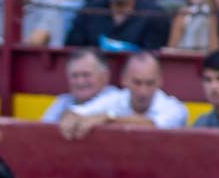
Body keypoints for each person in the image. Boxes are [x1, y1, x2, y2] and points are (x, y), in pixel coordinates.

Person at [56, 51, 189, 139]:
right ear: (124, 80)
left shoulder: (174, 108)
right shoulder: (114, 98)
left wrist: (107, 119)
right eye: (137, 83)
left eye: (149, 83)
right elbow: (75, 112)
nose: (143, 91)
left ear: (160, 81)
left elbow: (153, 126)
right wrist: (70, 118)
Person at [41, 47, 118, 122]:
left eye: (86, 75)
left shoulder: (117, 100)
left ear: (105, 76)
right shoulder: (62, 101)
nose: (80, 81)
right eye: (74, 75)